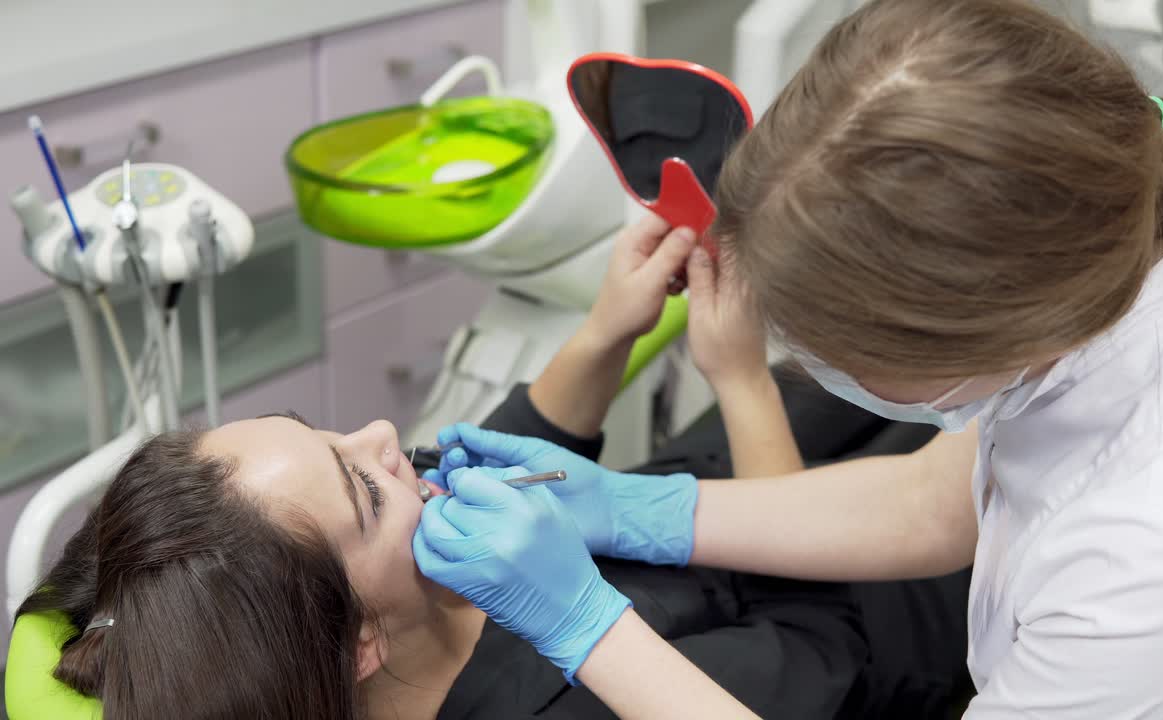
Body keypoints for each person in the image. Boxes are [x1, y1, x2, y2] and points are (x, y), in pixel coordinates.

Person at [412, 0, 1163, 717]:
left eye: (827, 350)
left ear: (978, 332)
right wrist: (635, 506)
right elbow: (932, 503)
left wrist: (586, 626)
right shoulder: (1121, 252)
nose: (381, 438)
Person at [11, 216, 964, 719]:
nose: (383, 431)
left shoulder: (409, 586)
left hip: (760, 475)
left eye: (326, 430)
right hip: (898, 597)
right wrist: (742, 380)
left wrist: (607, 329)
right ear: (357, 646)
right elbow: (825, 641)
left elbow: (520, 441)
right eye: (360, 482)